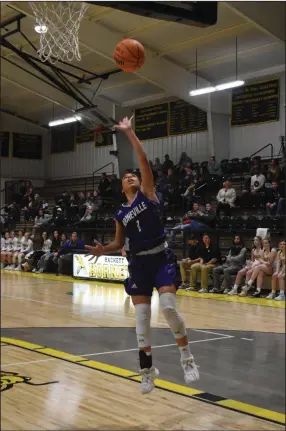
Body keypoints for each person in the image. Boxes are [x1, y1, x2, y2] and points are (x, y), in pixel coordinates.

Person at [85, 117, 199, 394]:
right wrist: (104, 249)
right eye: (126, 177)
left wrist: (129, 132)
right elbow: (118, 242)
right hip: (138, 264)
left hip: (161, 257)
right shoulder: (120, 214)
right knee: (142, 322)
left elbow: (144, 158)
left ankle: (187, 359)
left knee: (169, 308)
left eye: (133, 174)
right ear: (122, 188)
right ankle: (147, 371)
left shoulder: (148, 194)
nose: (131, 176)